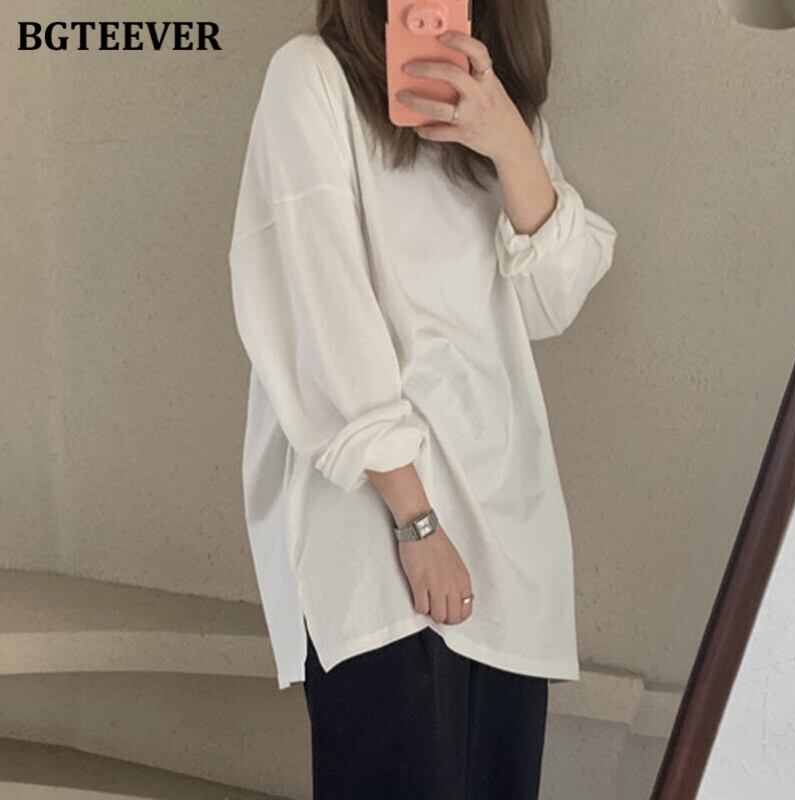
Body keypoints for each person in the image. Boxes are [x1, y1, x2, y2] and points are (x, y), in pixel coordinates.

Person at [228, 1, 618, 797]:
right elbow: (320, 307)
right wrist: (416, 519)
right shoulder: (311, 77)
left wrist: (510, 141)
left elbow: (550, 303)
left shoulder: (497, 107)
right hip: (377, 521)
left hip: (508, 523)